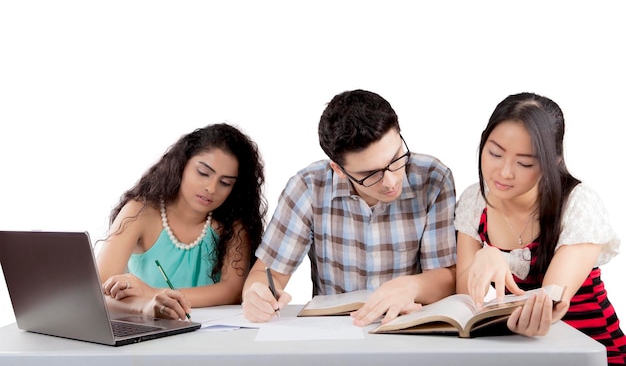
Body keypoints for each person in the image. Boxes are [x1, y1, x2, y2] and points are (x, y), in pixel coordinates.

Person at [242, 89, 457, 326]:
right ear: (338, 169)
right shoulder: (308, 187)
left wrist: (412, 286)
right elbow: (266, 274)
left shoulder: (433, 178)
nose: (391, 181)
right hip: (336, 332)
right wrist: (257, 296)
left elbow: (449, 277)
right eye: (370, 174)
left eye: (396, 158)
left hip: (407, 325)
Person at [455, 92, 625, 364]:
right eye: (495, 153)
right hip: (521, 349)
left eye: (524, 163)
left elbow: (552, 301)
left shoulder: (577, 203)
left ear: (554, 161)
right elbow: (463, 296)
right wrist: (483, 256)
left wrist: (498, 258)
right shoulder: (475, 202)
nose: (504, 172)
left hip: (593, 349)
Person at [97, 123, 267, 320]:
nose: (211, 188)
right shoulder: (139, 212)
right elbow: (97, 290)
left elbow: (232, 291)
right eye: (203, 173)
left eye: (225, 183)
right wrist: (145, 304)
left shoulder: (233, 225)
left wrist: (152, 293)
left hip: (214, 335)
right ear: (181, 164)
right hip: (148, 330)